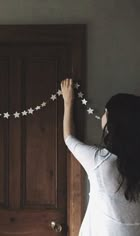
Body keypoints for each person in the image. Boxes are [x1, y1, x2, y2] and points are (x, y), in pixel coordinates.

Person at [61, 78, 140, 236]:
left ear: (112, 122)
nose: (102, 116)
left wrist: (68, 102)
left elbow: (69, 138)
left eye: (105, 112)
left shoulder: (101, 162)